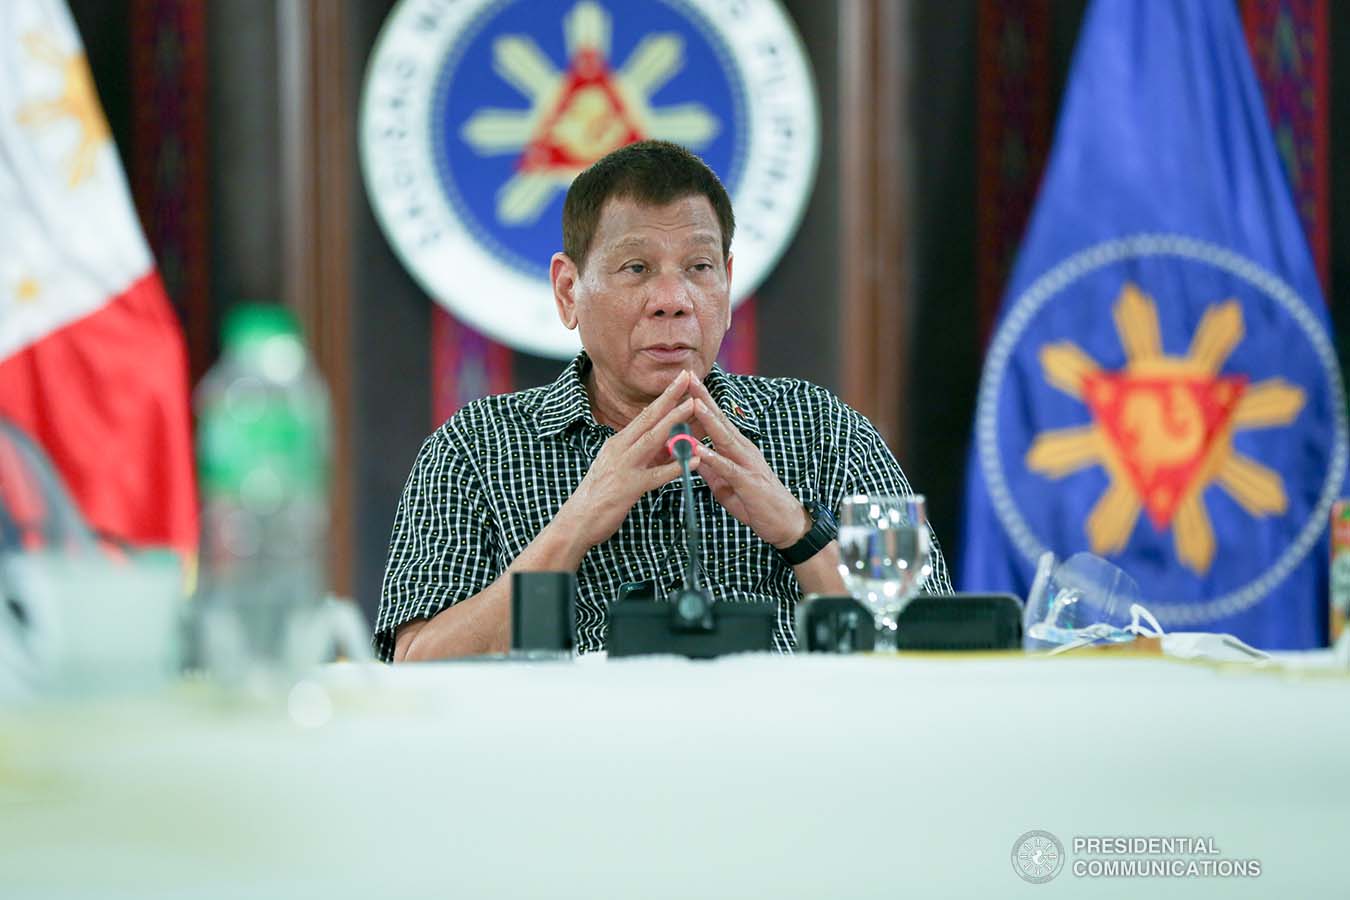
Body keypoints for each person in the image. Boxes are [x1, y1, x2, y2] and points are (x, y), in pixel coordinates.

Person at [376, 140, 951, 661]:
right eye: (636, 268)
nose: (673, 300)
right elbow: (414, 667)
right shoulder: (473, 449)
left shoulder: (828, 429)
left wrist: (798, 530)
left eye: (699, 268)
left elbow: (933, 645)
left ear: (726, 286)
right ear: (568, 290)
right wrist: (573, 525)